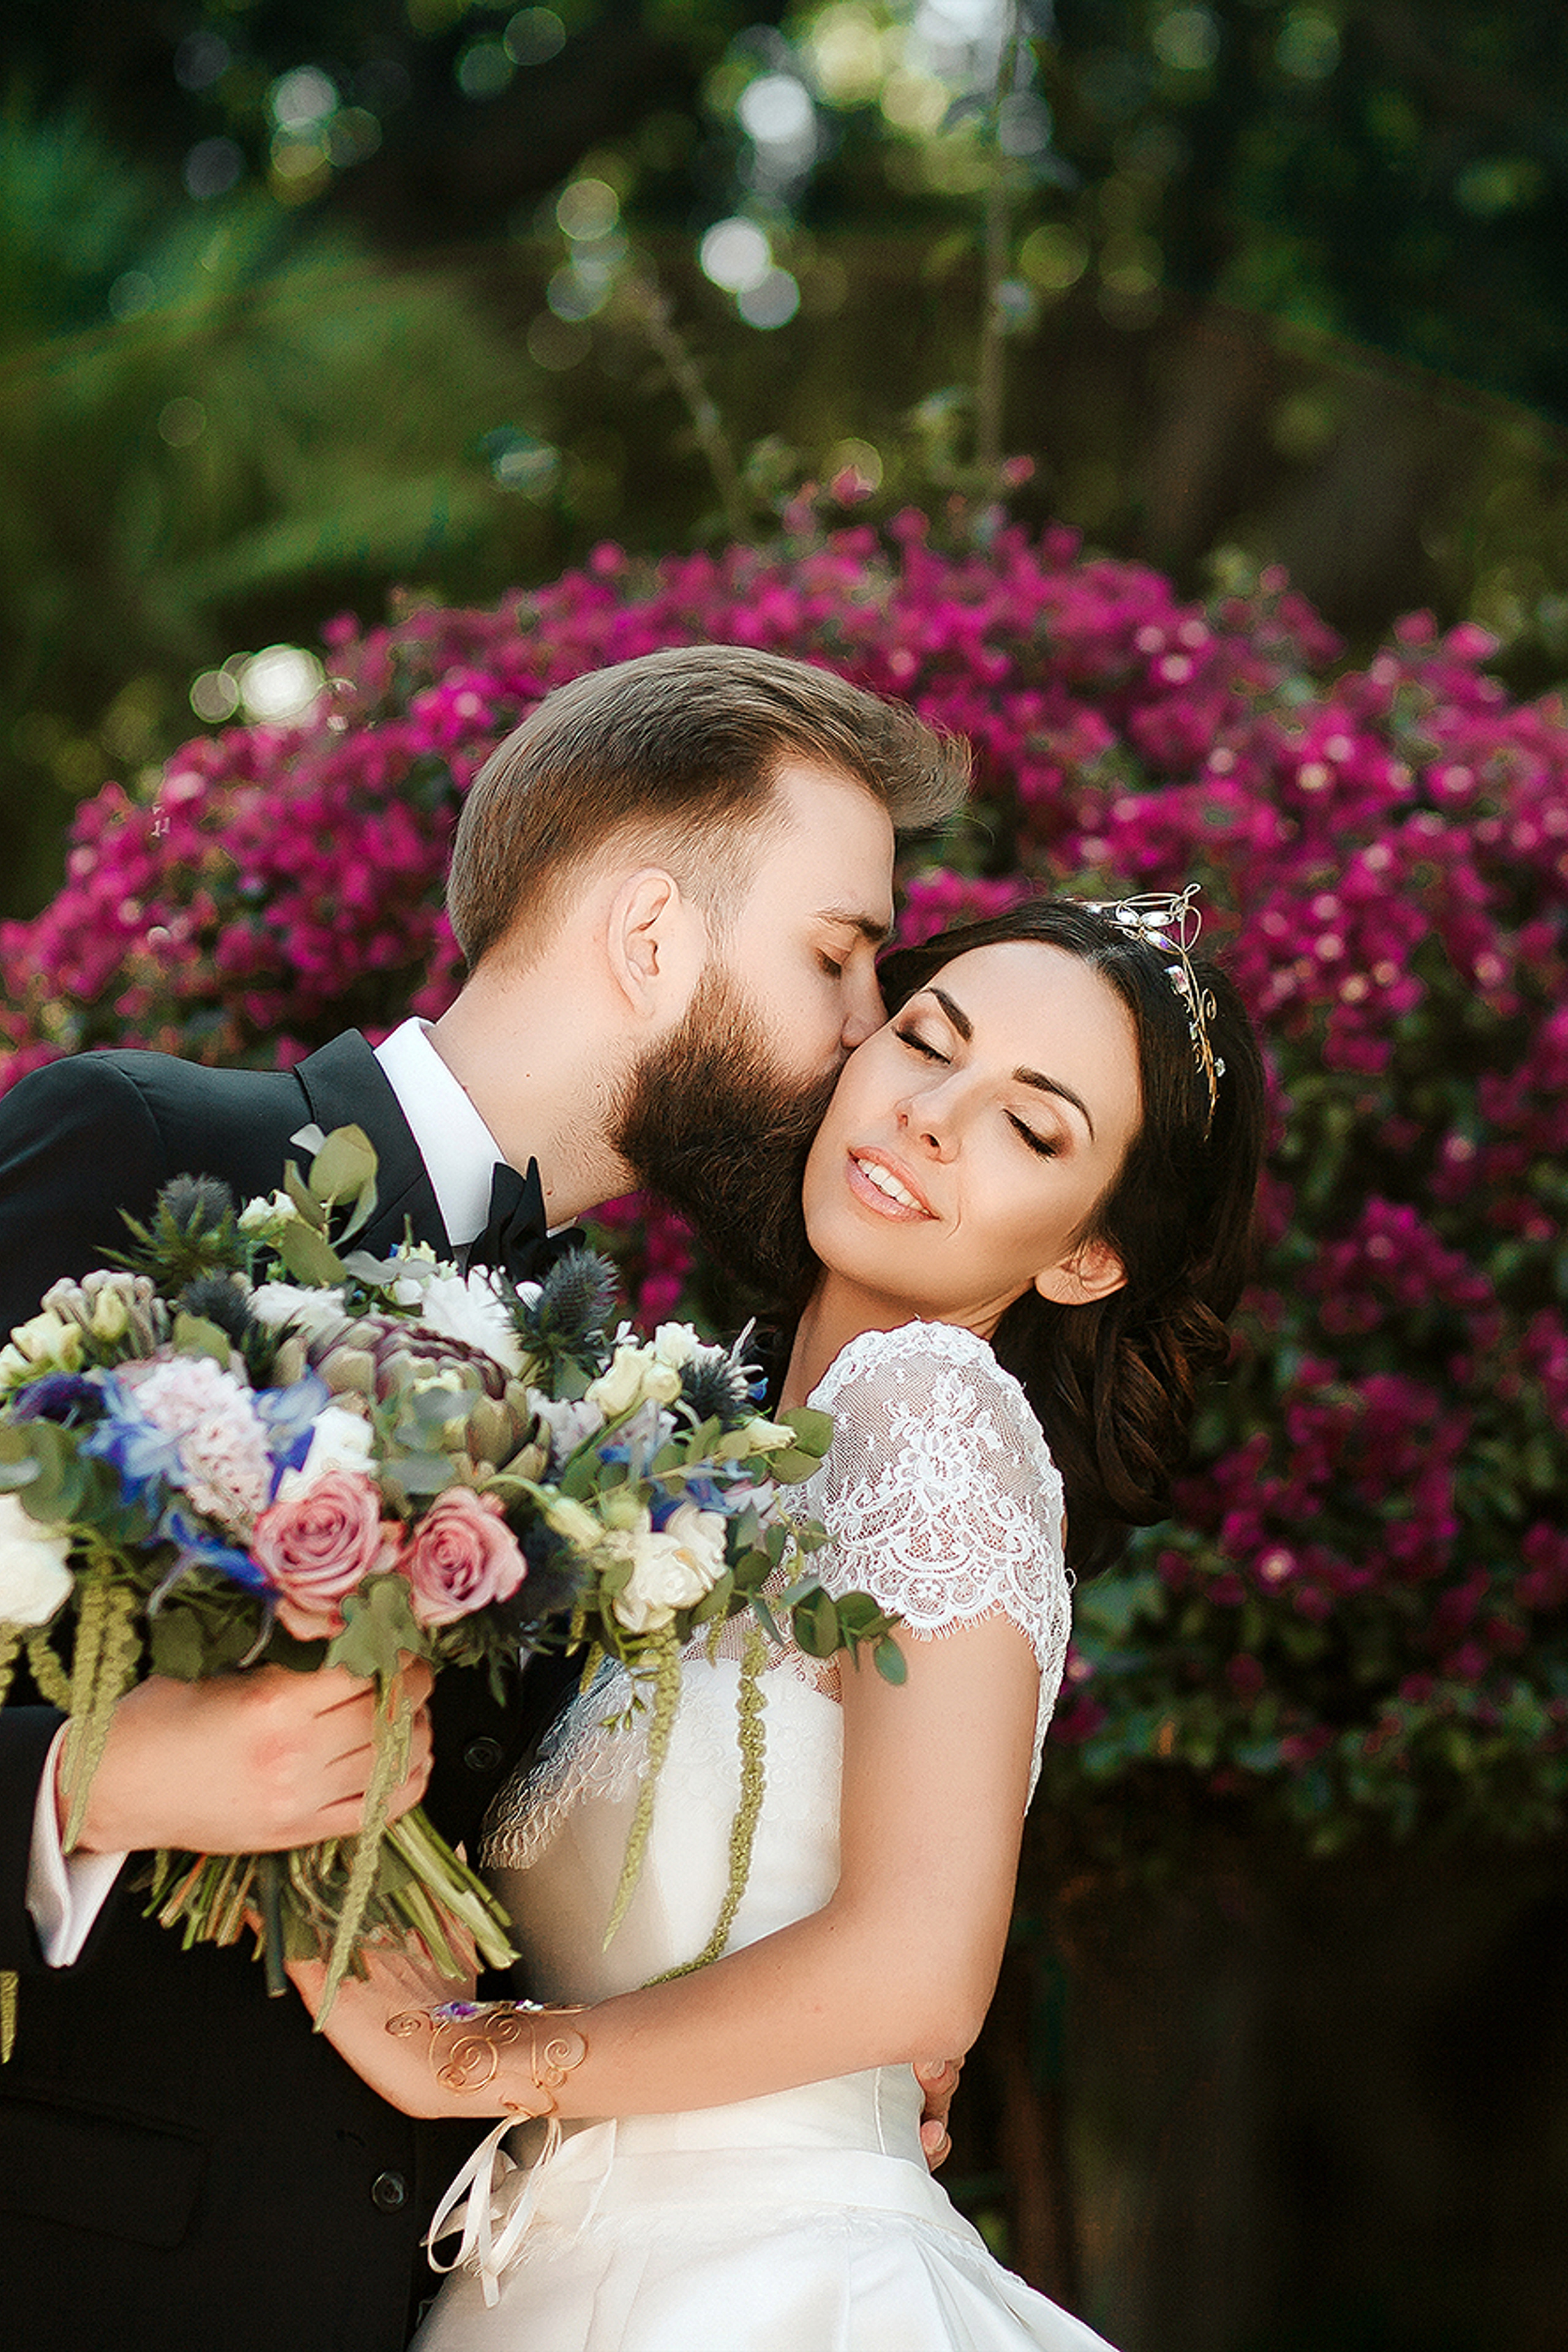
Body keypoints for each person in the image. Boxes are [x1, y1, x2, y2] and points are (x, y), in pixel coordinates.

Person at [0, 644, 970, 2352]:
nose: (863, 1032)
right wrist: (95, 1776)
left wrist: (793, 2081)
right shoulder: (133, 1149)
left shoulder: (659, 1416)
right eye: (839, 952)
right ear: (650, 929)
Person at [286, 889, 1267, 2351]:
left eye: (1031, 1127)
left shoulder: (929, 1412)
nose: (934, 1114)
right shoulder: (725, 1454)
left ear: (1084, 1259)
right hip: (564, 2269)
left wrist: (473, 2062)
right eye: (927, 1040)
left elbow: (921, 1961)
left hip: (764, 2284)